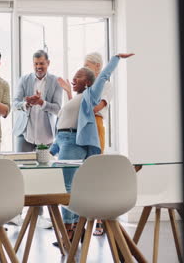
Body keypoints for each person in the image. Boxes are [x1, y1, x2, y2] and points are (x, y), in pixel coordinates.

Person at [50, 53, 134, 246]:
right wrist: (51, 148)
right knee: (66, 185)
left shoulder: (90, 95)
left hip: (72, 142)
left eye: (78, 76)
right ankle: (71, 229)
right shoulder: (76, 98)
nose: (73, 79)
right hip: (62, 141)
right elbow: (63, 123)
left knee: (68, 187)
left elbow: (103, 76)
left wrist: (115, 59)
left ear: (88, 82)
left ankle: (70, 230)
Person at [12, 49, 63, 228]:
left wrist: (41, 103)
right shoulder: (24, 79)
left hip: (46, 136)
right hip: (25, 133)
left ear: (48, 63)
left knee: (42, 175)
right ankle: (16, 213)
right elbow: (15, 103)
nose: (39, 67)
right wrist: (27, 103)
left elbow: (58, 108)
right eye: (36, 64)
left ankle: (39, 215)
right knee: (19, 174)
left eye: (41, 63)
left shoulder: (55, 81)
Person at [85, 52, 112, 236]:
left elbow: (97, 107)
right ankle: (84, 219)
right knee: (84, 173)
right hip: (83, 125)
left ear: (98, 66)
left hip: (96, 124)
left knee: (96, 171)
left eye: (88, 66)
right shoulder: (86, 84)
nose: (85, 69)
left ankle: (100, 220)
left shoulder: (106, 85)